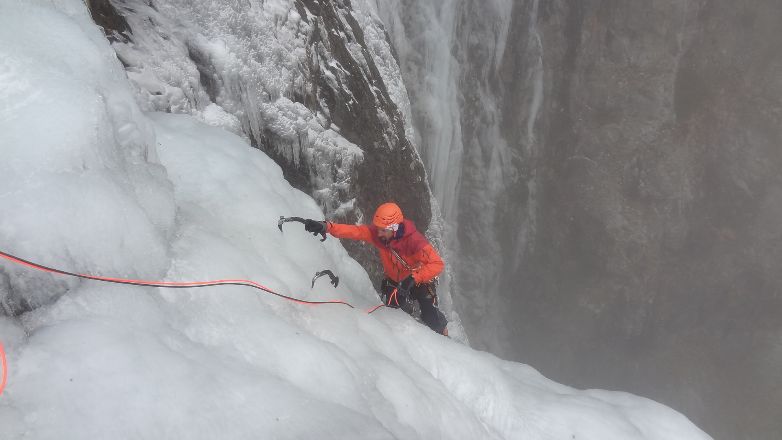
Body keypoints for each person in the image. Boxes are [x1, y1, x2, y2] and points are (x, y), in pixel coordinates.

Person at [303, 202, 448, 336]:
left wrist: (413, 278)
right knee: (394, 315)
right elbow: (355, 231)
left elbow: (437, 264)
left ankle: (445, 337)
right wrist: (326, 227)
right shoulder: (380, 236)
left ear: (394, 228)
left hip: (418, 281)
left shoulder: (414, 242)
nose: (378, 234)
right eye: (378, 229)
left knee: (430, 315)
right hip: (395, 282)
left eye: (383, 230)